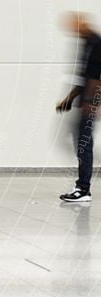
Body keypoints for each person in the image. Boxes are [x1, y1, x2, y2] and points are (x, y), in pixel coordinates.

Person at [56, 12, 101, 203]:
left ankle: (83, 189)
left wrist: (91, 102)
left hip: (89, 103)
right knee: (80, 142)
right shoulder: (86, 42)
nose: (73, 31)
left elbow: (96, 76)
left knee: (83, 144)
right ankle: (83, 186)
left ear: (82, 24)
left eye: (74, 27)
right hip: (85, 101)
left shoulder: (96, 44)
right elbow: (83, 76)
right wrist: (69, 98)